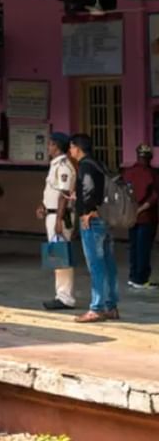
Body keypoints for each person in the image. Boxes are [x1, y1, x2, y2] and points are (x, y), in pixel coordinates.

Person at [68, 135, 119, 322]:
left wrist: (87, 211)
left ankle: (96, 308)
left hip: (93, 221)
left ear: (77, 148)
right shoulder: (99, 164)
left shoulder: (85, 166)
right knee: (109, 264)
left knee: (96, 265)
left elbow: (89, 190)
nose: (70, 152)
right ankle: (111, 306)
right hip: (105, 219)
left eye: (71, 148)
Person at [37, 133, 76, 310]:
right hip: (51, 214)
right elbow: (51, 192)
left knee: (61, 255)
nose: (48, 148)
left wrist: (59, 220)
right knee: (57, 255)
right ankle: (60, 294)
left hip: (60, 216)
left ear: (57, 146)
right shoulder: (54, 166)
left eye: (51, 145)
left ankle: (65, 297)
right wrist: (43, 206)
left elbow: (64, 195)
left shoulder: (64, 166)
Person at [124, 143, 158, 290]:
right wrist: (141, 209)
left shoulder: (128, 172)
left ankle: (133, 277)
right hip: (147, 217)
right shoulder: (153, 174)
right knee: (143, 248)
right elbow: (154, 197)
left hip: (131, 216)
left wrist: (132, 210)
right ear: (150, 157)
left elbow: (123, 193)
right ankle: (141, 279)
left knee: (134, 247)